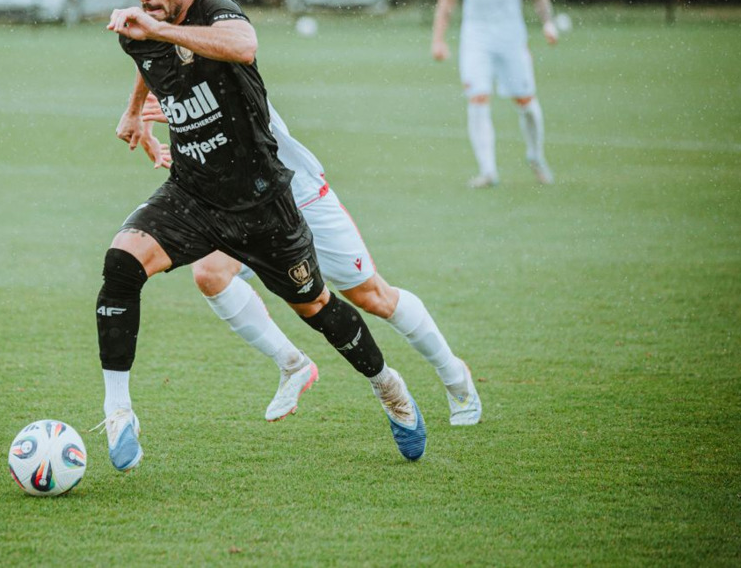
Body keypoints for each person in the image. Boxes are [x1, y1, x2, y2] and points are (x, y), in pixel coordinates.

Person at [99, 0, 426, 471]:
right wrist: (135, 111)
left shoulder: (215, 9)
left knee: (316, 307)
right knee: (121, 263)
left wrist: (157, 28)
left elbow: (243, 45)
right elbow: (150, 61)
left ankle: (388, 386)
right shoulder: (141, 29)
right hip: (192, 193)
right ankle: (118, 411)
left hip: (261, 201)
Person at [134, 93, 482, 427]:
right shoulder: (170, 60)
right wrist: (141, 121)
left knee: (373, 297)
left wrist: (190, 118)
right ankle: (292, 364)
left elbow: (243, 114)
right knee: (210, 273)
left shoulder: (228, 56)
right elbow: (149, 68)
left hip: (300, 195)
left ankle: (454, 376)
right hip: (245, 208)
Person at [431, 0, 559, 189]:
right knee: (477, 99)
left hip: (511, 37)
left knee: (526, 102)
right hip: (476, 37)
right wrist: (438, 39)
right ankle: (488, 170)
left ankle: (535, 156)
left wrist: (548, 23)